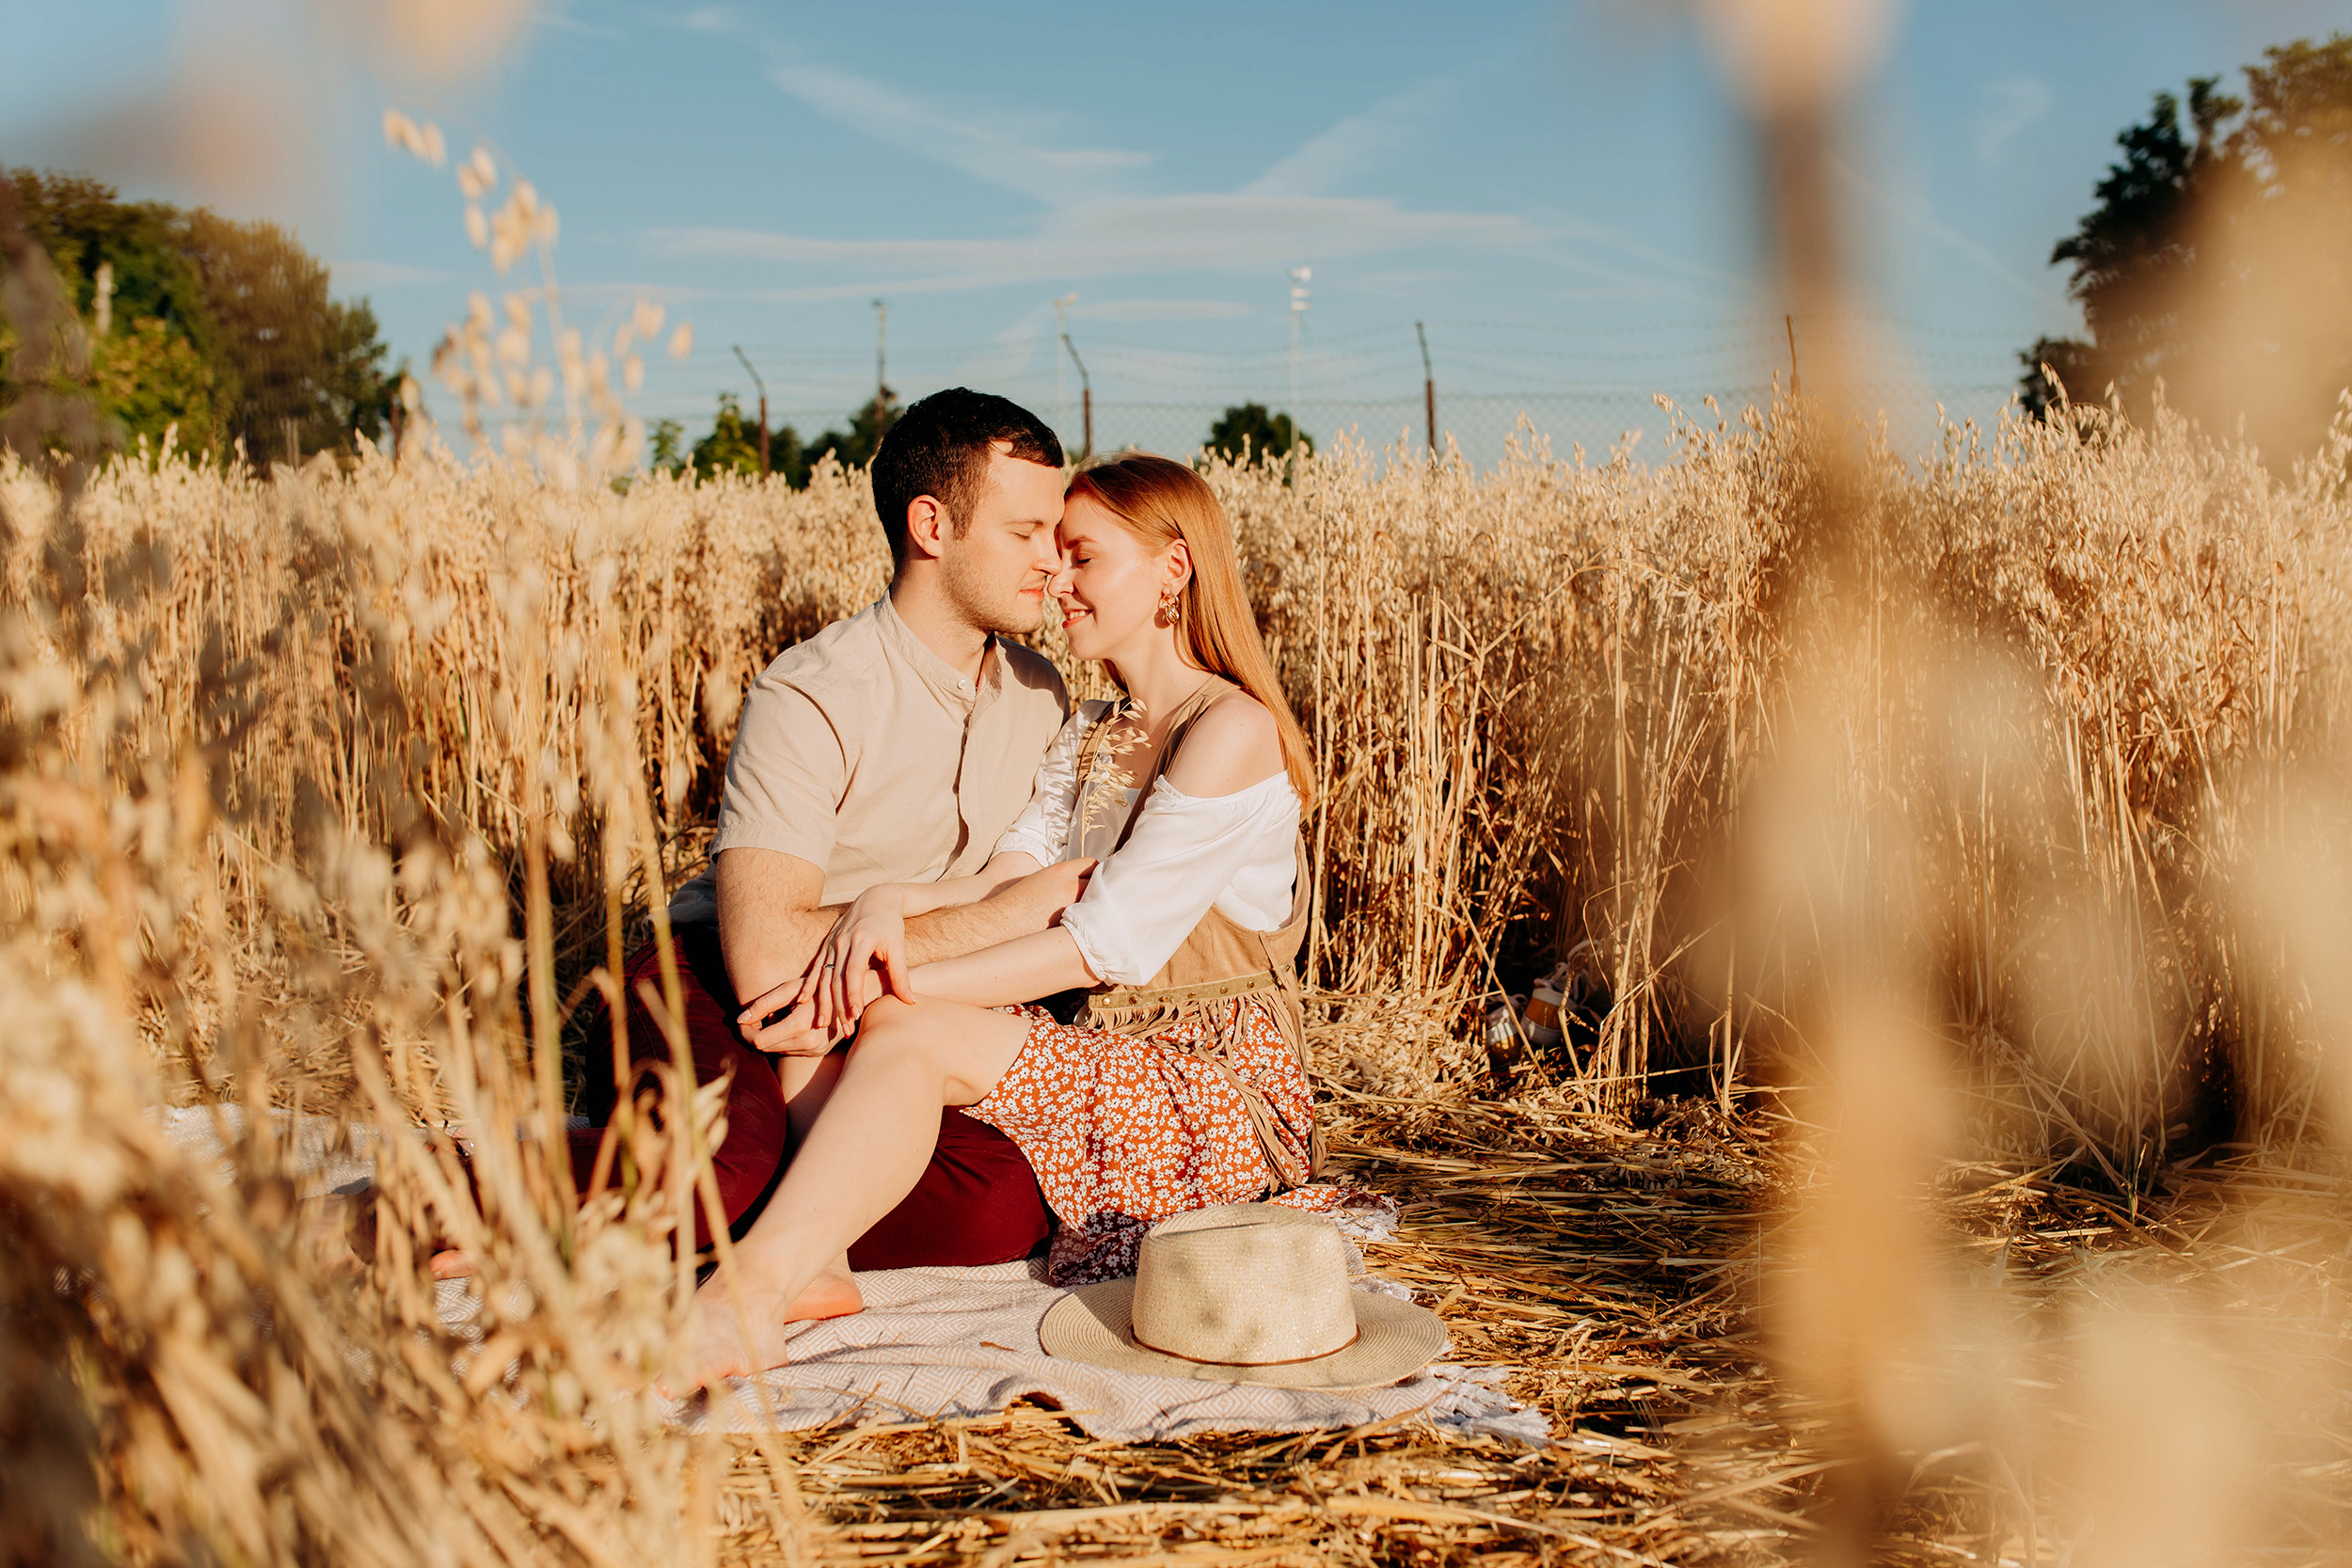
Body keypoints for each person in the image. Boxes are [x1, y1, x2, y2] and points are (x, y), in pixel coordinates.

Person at [681, 451, 1369, 1386]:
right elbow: (1008, 883)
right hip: (1107, 1054)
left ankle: (747, 1294)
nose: (1057, 578)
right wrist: (887, 906)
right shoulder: (1096, 728)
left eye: (1083, 556)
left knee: (892, 1016)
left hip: (1214, 1087)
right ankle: (807, 1269)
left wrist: (886, 980)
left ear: (1173, 570)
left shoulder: (1230, 730)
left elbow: (1107, 941)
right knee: (869, 1003)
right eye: (1052, 552)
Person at [559, 388, 1099, 1306]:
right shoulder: (810, 693)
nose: (1054, 559)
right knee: (721, 1169)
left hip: (889, 1012)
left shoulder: (1045, 693)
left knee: (999, 1207)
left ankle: (746, 1221)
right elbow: (767, 956)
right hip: (716, 979)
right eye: (1025, 532)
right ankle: (450, 1187)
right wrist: (999, 918)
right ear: (931, 525)